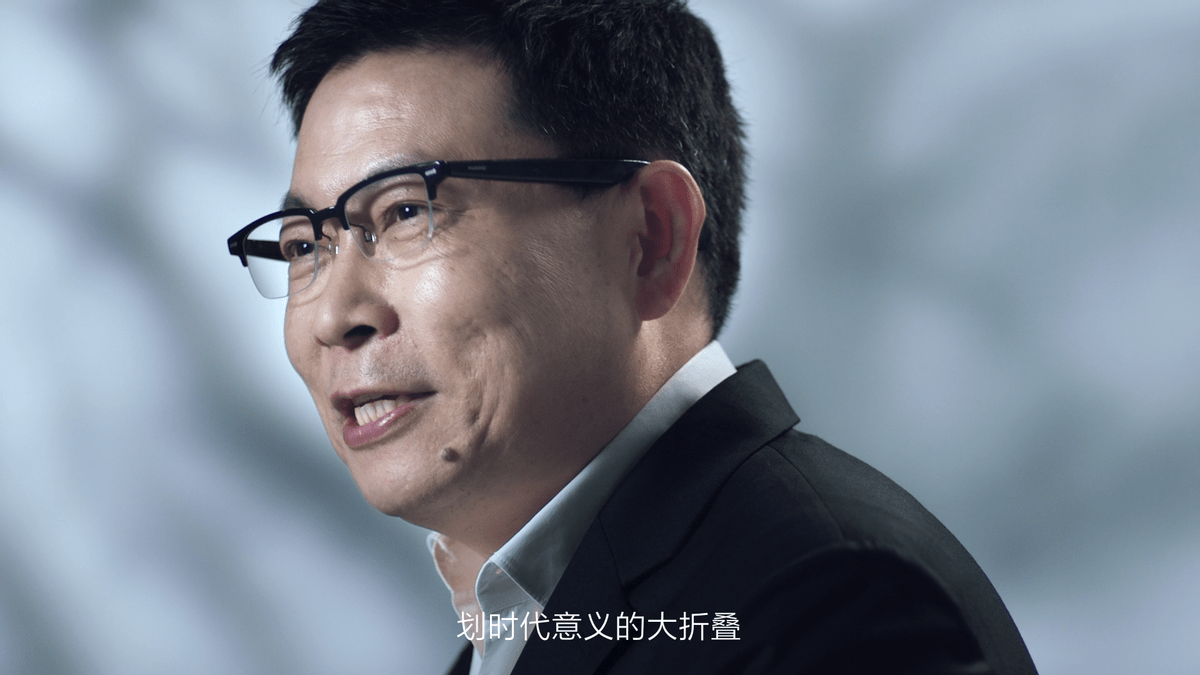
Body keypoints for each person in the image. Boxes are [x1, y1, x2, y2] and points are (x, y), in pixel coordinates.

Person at [226, 1, 1038, 673]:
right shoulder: (529, 617)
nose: (333, 315)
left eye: (406, 211)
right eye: (305, 245)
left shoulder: (824, 604)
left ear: (650, 238)